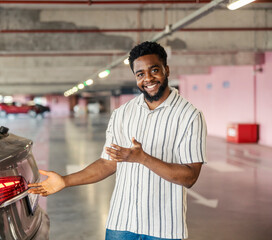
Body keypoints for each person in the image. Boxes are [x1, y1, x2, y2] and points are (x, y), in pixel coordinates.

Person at [28, 41, 207, 240]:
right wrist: (65, 181)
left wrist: (143, 158)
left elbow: (189, 177)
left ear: (166, 70)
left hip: (164, 228)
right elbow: (107, 163)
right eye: (140, 74)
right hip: (121, 223)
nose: (148, 78)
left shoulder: (189, 116)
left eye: (154, 70)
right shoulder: (122, 114)